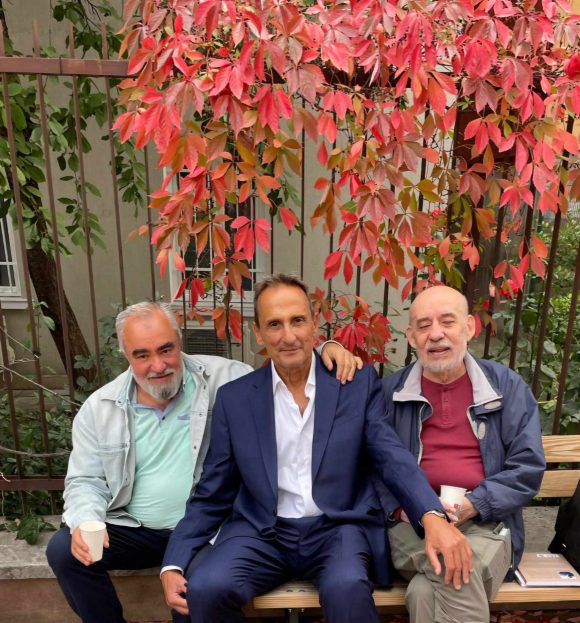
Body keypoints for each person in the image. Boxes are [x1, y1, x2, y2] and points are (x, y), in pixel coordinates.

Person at [160, 274, 472, 623]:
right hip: (262, 532)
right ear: (258, 333)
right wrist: (173, 562)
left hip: (336, 528)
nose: (288, 335)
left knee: (347, 587)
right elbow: (212, 492)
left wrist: (430, 515)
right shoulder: (235, 399)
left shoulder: (354, 384)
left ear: (314, 325)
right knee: (206, 588)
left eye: (297, 321)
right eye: (274, 325)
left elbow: (390, 455)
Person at [46, 300, 359, 623]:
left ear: (179, 341)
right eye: (142, 355)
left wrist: (328, 350)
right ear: (125, 355)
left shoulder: (225, 377)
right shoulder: (100, 408)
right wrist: (85, 519)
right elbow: (86, 480)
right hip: (133, 528)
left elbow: (285, 369)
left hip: (206, 530)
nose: (158, 365)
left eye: (166, 350)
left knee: (196, 591)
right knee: (64, 550)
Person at [378, 285, 546, 623]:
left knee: (426, 590)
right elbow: (371, 467)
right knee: (457, 568)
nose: (435, 334)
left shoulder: (506, 387)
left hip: (487, 522)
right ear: (411, 337)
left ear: (469, 327)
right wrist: (406, 509)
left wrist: (475, 503)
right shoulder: (389, 394)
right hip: (411, 526)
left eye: (447, 322)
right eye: (424, 325)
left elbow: (527, 467)